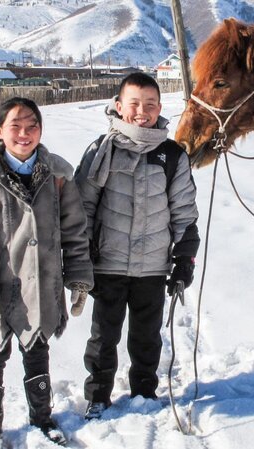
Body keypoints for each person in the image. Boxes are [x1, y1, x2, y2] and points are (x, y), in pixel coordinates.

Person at [0, 97, 93, 447]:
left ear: (41, 130)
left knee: (37, 351)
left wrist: (78, 278)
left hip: (42, 286)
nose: (24, 132)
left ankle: (42, 418)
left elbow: (75, 234)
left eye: (32, 125)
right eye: (15, 125)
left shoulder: (59, 177)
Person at [74, 73, 200, 420]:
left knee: (147, 337)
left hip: (152, 266)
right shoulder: (102, 150)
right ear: (119, 106)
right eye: (133, 104)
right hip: (108, 265)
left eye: (149, 104)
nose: (141, 112)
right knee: (103, 336)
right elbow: (82, 208)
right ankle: (98, 395)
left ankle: (144, 390)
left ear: (160, 108)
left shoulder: (172, 154)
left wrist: (184, 259)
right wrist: (81, 257)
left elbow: (184, 212)